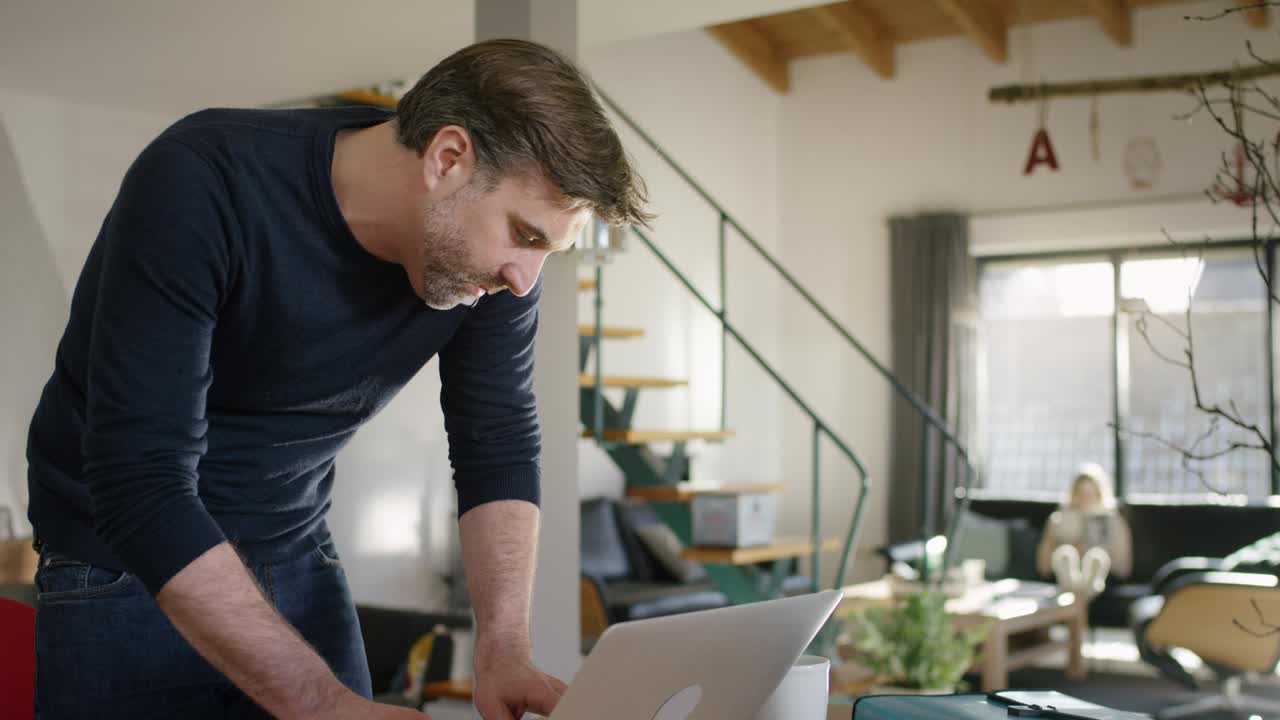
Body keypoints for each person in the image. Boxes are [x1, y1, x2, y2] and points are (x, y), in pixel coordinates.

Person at [25, 39, 649, 720]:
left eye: (547, 252)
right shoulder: (203, 180)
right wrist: (319, 700)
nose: (524, 279)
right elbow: (140, 487)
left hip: (294, 548)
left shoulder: (494, 275)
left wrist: (504, 648)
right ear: (447, 159)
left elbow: (496, 443)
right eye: (525, 236)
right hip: (120, 566)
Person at [1036, 463, 1133, 598]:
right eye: (1081, 494)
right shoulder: (1057, 521)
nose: (1086, 500)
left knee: (1096, 558)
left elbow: (1123, 569)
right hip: (1063, 576)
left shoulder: (1115, 523)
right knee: (1066, 555)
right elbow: (1043, 566)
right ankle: (1077, 597)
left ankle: (1077, 600)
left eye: (1091, 495)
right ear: (1073, 494)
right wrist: (1071, 549)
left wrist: (1096, 553)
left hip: (1104, 581)